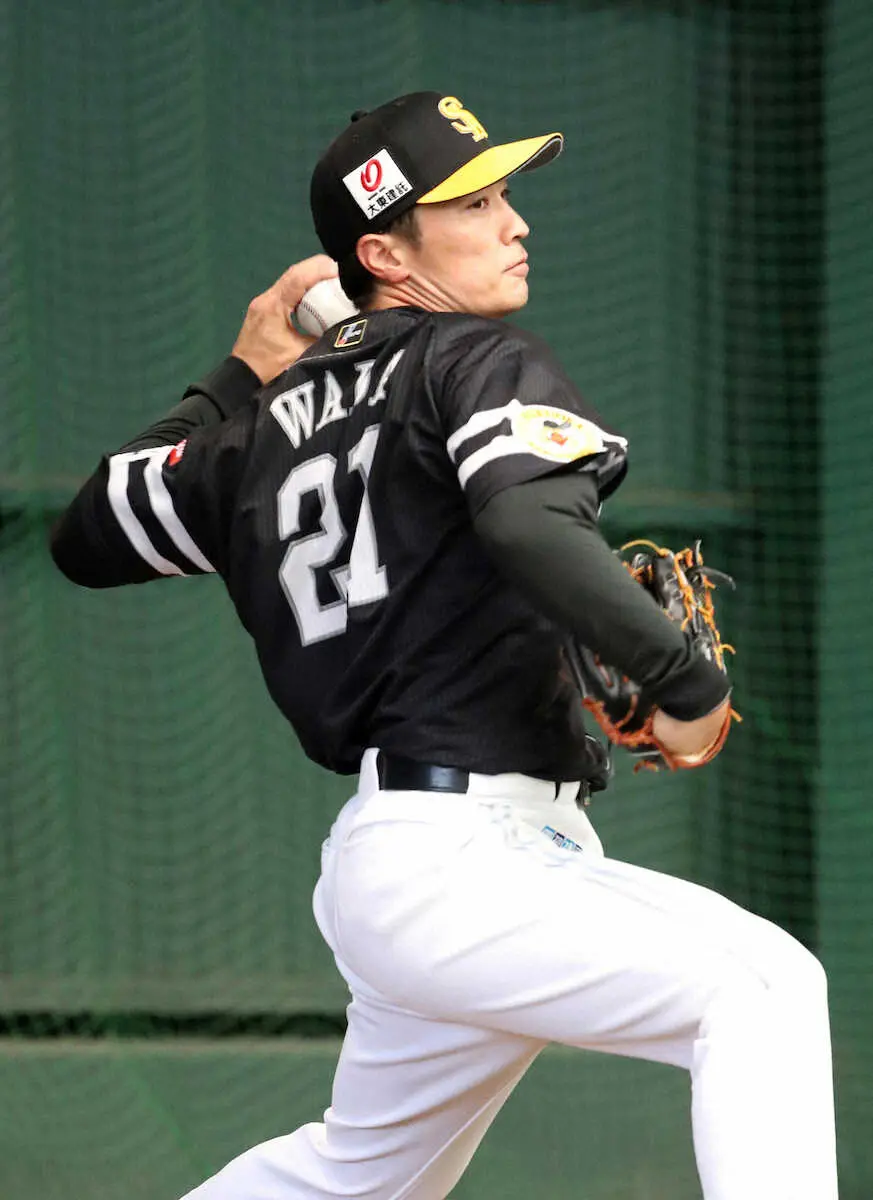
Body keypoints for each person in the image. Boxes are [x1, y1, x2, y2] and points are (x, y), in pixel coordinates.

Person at [50, 92, 837, 1200]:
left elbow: (89, 533)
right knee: (761, 985)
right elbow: (528, 523)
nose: (514, 221)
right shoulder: (472, 359)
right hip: (465, 856)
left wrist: (239, 372)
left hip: (417, 861)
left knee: (356, 1175)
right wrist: (683, 676)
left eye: (504, 193)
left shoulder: (256, 440)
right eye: (473, 204)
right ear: (383, 253)